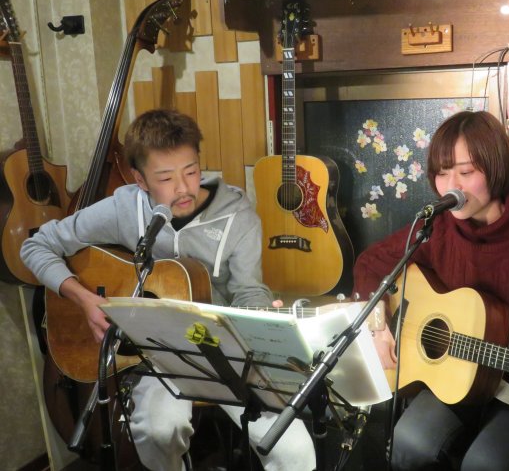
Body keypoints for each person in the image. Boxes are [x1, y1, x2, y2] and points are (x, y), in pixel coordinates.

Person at [21, 109, 316, 471]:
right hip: (155, 353)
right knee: (159, 431)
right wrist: (84, 300)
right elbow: (36, 246)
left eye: (191, 171)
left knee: (294, 449)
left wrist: (262, 317)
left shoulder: (238, 215)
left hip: (225, 350)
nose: (183, 188)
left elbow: (248, 291)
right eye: (165, 178)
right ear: (140, 179)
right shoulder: (124, 208)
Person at [352, 110, 509, 471]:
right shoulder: (436, 228)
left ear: (495, 169)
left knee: (486, 463)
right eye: (442, 173)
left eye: (465, 173)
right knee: (408, 442)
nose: (452, 186)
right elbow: (371, 264)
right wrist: (378, 327)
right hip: (453, 377)